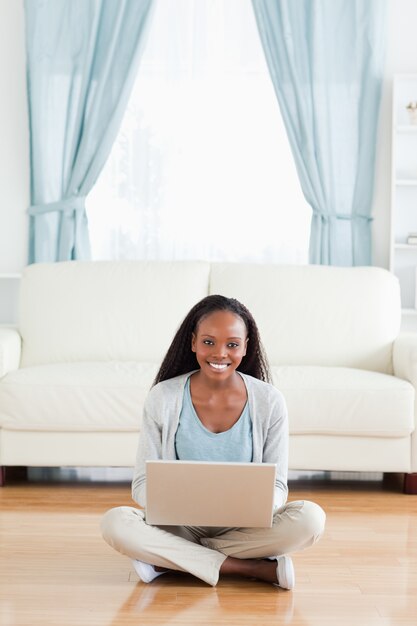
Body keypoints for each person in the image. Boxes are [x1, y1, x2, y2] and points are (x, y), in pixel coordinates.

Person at [101, 295, 326, 589]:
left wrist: (257, 507)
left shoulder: (269, 401)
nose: (220, 353)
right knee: (115, 523)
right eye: (209, 342)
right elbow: (142, 483)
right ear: (193, 342)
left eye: (232, 344)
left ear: (246, 347)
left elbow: (278, 486)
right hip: (180, 525)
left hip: (245, 526)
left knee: (311, 520)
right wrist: (171, 506)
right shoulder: (163, 397)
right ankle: (252, 569)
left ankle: (170, 561)